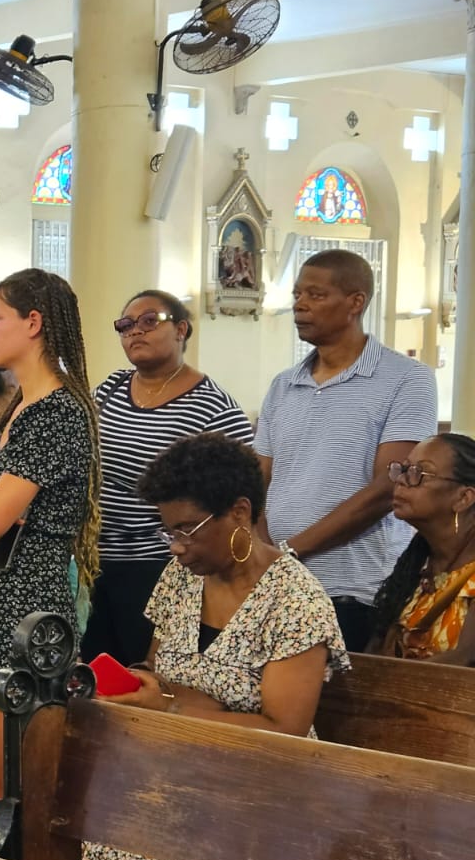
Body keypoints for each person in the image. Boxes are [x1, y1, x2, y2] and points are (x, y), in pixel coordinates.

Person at [88, 433, 349, 860]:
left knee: (138, 847)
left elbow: (282, 731)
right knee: (100, 819)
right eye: (169, 532)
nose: (177, 549)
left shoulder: (295, 601)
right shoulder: (183, 579)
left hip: (263, 783)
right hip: (180, 763)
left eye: (188, 530)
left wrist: (175, 707)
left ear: (240, 512)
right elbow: (161, 672)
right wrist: (155, 692)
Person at [0, 269, 99, 825]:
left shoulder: (57, 412)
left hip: (25, 606)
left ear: (33, 324)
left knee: (19, 787)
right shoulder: (18, 408)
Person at [257, 249, 438, 651]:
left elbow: (387, 488)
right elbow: (259, 480)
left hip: (352, 586)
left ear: (355, 302)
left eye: (316, 295)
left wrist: (288, 552)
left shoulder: (406, 379)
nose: (300, 305)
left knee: (340, 710)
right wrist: (264, 554)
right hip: (277, 582)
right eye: (297, 295)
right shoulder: (283, 385)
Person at [85, 290, 253, 666]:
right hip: (97, 559)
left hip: (161, 563)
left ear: (181, 329)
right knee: (94, 674)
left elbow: (242, 483)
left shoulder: (212, 405)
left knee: (145, 672)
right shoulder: (111, 387)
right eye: (125, 325)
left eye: (149, 321)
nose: (135, 332)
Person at [371, 433, 475, 663]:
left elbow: (466, 661)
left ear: (464, 498)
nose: (401, 480)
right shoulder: (416, 569)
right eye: (404, 469)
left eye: (419, 473)